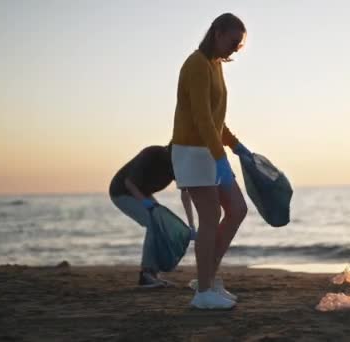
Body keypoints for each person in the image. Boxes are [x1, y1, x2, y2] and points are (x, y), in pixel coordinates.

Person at [171, 13, 252, 309]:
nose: (235, 48)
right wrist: (220, 158)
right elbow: (201, 118)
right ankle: (203, 292)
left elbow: (217, 119)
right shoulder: (196, 65)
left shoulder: (215, 65)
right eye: (233, 41)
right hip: (192, 152)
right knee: (209, 218)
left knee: (237, 209)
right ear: (217, 33)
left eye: (239, 45)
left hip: (211, 150)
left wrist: (237, 145)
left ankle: (207, 277)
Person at [109, 144, 196, 288]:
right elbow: (129, 183)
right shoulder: (152, 154)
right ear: (169, 150)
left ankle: (153, 274)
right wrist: (145, 203)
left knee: (162, 224)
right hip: (121, 191)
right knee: (152, 222)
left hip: (144, 193)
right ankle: (146, 274)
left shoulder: (178, 164)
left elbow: (185, 194)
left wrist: (191, 224)